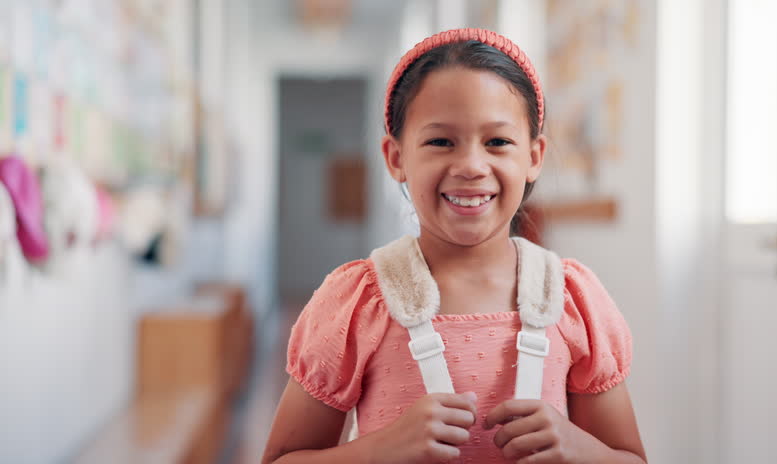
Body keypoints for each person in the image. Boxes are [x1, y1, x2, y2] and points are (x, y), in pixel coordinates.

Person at [262, 28, 647, 464]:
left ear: (534, 156)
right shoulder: (357, 303)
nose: (470, 166)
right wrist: (380, 450)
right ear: (396, 158)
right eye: (440, 141)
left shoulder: (573, 300)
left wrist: (581, 450)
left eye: (497, 142)